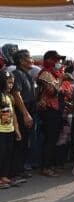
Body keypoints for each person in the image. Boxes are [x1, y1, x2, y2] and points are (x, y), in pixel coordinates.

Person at [36, 50, 65, 177]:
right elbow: (52, 91)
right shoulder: (45, 73)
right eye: (54, 59)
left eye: (58, 60)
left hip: (55, 110)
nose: (57, 62)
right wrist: (62, 78)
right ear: (47, 59)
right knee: (50, 139)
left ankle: (51, 165)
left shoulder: (53, 74)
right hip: (49, 110)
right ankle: (46, 167)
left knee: (54, 139)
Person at [11, 49, 35, 181]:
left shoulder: (27, 74)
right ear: (22, 61)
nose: (32, 60)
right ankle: (15, 172)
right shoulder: (17, 74)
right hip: (21, 113)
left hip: (29, 111)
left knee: (25, 142)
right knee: (19, 142)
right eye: (30, 57)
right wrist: (25, 114)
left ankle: (20, 169)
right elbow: (16, 94)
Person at [0, 71, 21, 189]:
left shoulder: (9, 96)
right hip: (1, 130)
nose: (10, 85)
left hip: (9, 129)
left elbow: (13, 114)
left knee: (8, 154)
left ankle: (4, 176)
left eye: (12, 83)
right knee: (1, 154)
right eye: (8, 83)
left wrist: (16, 129)